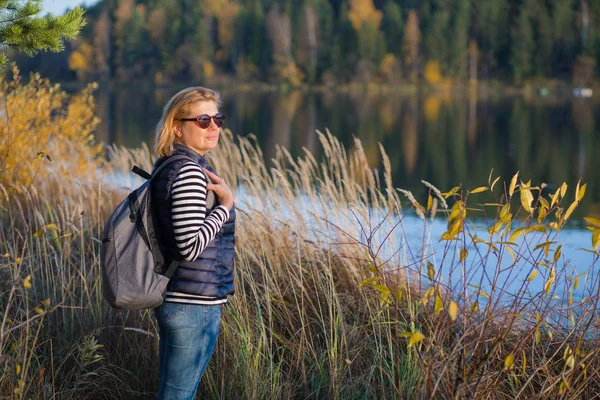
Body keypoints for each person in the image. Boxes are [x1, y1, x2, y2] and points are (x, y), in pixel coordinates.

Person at [150, 86, 236, 399]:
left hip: (183, 298)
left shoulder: (175, 164)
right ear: (177, 127)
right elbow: (189, 247)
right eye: (203, 120)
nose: (213, 126)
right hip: (192, 303)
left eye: (218, 118)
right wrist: (224, 207)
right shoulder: (188, 171)